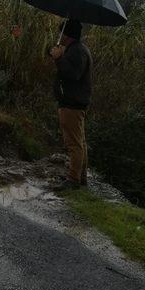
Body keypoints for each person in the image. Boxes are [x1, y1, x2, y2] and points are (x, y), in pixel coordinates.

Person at [49, 20, 92, 191]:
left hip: (72, 103)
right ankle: (80, 176)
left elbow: (72, 75)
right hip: (75, 102)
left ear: (67, 35)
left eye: (62, 33)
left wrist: (59, 59)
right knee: (79, 141)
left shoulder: (77, 52)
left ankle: (73, 179)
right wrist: (55, 54)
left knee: (73, 143)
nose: (60, 36)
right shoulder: (77, 49)